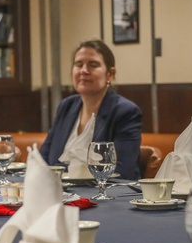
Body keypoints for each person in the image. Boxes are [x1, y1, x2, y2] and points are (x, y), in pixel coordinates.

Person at [39, 39, 142, 179]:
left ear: (109, 74)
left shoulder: (125, 111)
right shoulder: (66, 106)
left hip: (104, 196)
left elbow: (122, 172)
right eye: (78, 64)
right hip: (58, 193)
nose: (84, 71)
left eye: (93, 65)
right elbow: (43, 159)